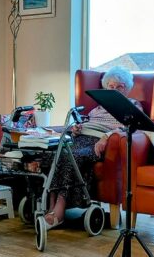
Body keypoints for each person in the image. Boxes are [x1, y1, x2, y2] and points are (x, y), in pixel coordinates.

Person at [43, 66, 142, 229]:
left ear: (127, 89)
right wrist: (76, 128)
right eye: (111, 87)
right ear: (106, 88)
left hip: (99, 141)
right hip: (81, 137)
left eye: (120, 86)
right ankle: (51, 206)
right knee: (53, 153)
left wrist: (107, 137)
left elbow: (132, 128)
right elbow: (85, 122)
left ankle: (59, 211)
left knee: (71, 156)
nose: (115, 90)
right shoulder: (98, 108)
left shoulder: (132, 105)